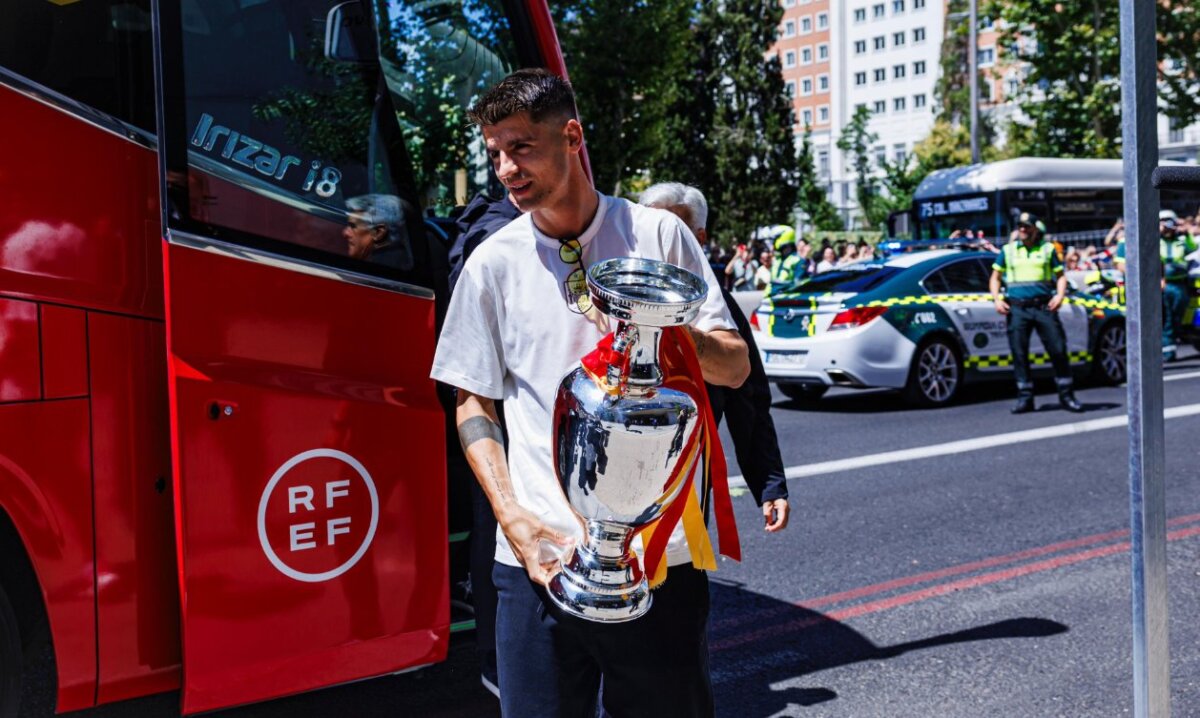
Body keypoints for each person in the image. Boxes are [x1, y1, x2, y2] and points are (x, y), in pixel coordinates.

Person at [430, 69, 750, 718]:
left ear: (571, 136)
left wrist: (664, 320)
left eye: (520, 147)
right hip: (537, 561)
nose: (505, 169)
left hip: (658, 559)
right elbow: (473, 404)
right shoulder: (492, 263)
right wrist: (512, 520)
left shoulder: (658, 237)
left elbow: (736, 368)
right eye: (494, 153)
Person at [639, 182, 790, 533]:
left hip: (686, 485)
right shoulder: (612, 292)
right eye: (651, 230)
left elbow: (748, 396)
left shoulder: (716, 307)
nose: (662, 243)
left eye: (674, 231)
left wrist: (769, 484)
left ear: (700, 238)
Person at [989, 212, 1083, 414]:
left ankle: (1067, 395)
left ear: (1035, 229)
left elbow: (1060, 276)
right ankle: (1025, 398)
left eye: (1026, 226)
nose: (1022, 229)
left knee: (1058, 349)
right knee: (1019, 353)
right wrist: (997, 299)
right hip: (1018, 308)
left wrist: (1059, 296)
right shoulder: (1008, 250)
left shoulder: (1048, 250)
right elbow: (995, 277)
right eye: (1020, 226)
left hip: (1043, 307)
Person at [1114, 209, 1198, 361]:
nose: (1166, 225)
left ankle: (1166, 348)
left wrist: (1185, 231)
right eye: (1162, 221)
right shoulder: (1142, 240)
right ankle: (1157, 352)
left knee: (1171, 318)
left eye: (1169, 221)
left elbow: (1189, 249)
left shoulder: (1179, 239)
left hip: (1177, 284)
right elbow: (1122, 265)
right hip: (1147, 288)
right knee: (1155, 320)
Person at [344, 194, 414, 269]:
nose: (345, 233)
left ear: (378, 232)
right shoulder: (399, 261)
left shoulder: (378, 270)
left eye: (353, 226)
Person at [768, 227, 803, 292]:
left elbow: (798, 284)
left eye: (774, 240)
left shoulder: (798, 261)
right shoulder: (777, 260)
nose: (772, 244)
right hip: (770, 299)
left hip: (785, 300)